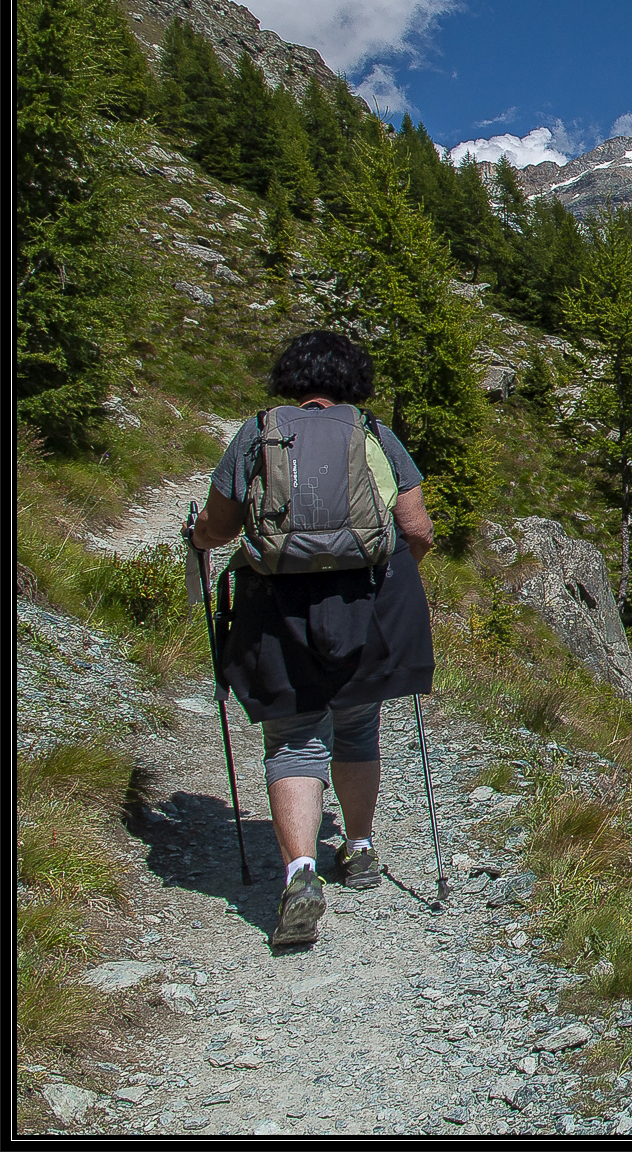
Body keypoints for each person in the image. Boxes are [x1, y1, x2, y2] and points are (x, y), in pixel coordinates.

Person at [187, 330, 437, 947]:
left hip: (277, 606)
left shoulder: (258, 433)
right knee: (356, 726)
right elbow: (418, 529)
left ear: (290, 379)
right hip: (363, 601)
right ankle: (357, 848)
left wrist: (198, 538)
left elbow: (218, 527)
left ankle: (300, 873)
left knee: (294, 735)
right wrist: (388, 577)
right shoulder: (372, 431)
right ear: (351, 380)